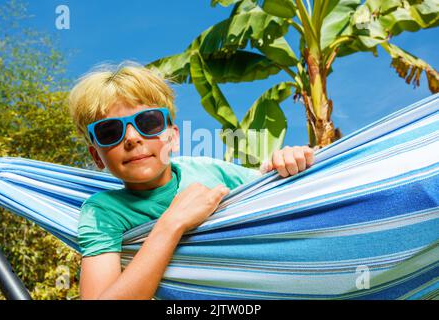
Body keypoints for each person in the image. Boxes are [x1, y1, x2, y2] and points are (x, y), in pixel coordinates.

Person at [67, 61, 315, 300]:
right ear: (96, 156)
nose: (131, 137)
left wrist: (283, 163)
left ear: (173, 138)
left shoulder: (209, 171)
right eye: (109, 131)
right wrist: (172, 223)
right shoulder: (102, 213)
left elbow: (270, 186)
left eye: (148, 122)